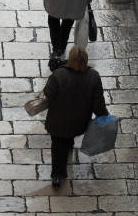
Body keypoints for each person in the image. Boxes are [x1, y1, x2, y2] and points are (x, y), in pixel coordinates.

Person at [44, 46, 108, 187]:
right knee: (69, 136)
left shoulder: (59, 75)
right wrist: (104, 117)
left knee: (57, 146)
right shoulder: (94, 76)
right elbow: (98, 103)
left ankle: (57, 175)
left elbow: (48, 93)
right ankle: (69, 145)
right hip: (79, 122)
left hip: (57, 121)